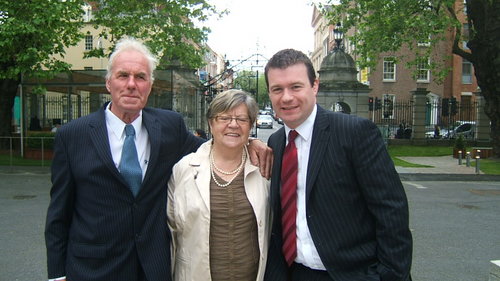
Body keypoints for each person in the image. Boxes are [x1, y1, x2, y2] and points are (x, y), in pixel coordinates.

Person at [44, 37, 272, 281]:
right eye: (123, 75)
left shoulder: (168, 126)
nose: (132, 84)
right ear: (109, 82)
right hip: (93, 269)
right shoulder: (73, 136)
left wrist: (248, 142)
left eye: (140, 77)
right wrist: (57, 275)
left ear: (149, 85)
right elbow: (59, 213)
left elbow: (213, 147)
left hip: (153, 268)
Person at [263, 49, 412, 281]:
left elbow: (391, 211)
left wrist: (389, 276)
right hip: (295, 272)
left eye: (296, 86)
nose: (286, 97)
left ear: (315, 86)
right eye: (277, 89)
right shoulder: (276, 142)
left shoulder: (354, 133)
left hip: (350, 274)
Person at [167, 89, 270, 281]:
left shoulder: (263, 169)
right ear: (211, 123)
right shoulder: (184, 169)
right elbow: (172, 233)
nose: (233, 125)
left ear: (250, 125)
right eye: (224, 118)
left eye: (242, 119)